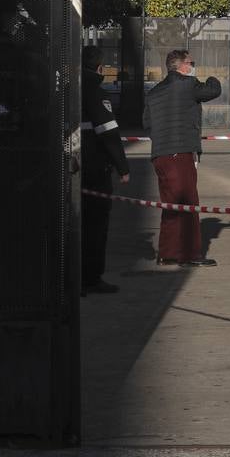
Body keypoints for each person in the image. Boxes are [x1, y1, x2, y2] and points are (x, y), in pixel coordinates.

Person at [143, 49, 222, 267]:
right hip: (180, 153)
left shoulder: (154, 92)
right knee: (188, 203)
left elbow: (147, 123)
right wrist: (212, 76)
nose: (193, 66)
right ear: (182, 66)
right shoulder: (187, 84)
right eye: (191, 62)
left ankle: (167, 254)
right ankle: (189, 254)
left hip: (160, 154)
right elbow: (213, 90)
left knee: (170, 205)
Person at [80, 47, 130, 294]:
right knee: (95, 226)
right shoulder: (96, 94)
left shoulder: (64, 86)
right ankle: (90, 277)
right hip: (93, 170)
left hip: (67, 167)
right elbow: (109, 134)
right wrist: (123, 167)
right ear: (99, 68)